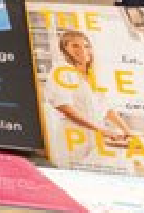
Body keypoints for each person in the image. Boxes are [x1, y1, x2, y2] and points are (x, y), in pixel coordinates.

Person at [46, 29, 133, 162]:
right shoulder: (61, 71)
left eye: (86, 46)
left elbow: (106, 108)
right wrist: (102, 130)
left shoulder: (93, 75)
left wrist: (127, 131)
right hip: (73, 137)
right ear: (64, 49)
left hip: (95, 138)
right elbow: (66, 108)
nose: (82, 50)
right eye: (75, 46)